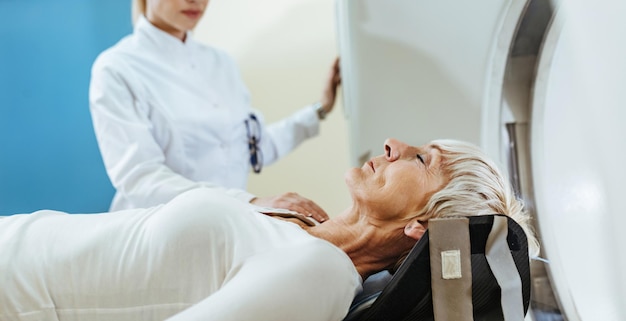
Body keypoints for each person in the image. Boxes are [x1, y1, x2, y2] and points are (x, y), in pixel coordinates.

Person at [0, 137, 538, 321]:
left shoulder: (320, 274)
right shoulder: (300, 225)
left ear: (424, 225)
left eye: (421, 160)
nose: (394, 144)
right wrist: (252, 201)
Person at [88, 0, 340, 220]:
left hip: (226, 229)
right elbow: (141, 179)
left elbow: (253, 147)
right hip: (157, 239)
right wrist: (249, 202)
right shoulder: (117, 68)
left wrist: (320, 109)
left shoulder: (221, 64)